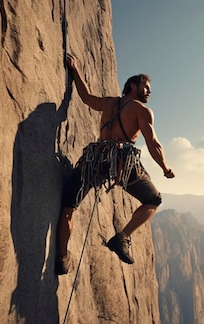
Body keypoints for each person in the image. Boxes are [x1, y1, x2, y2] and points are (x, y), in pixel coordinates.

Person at [56, 55, 175, 275]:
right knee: (154, 200)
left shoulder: (109, 103)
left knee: (68, 208)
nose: (149, 92)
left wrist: (74, 69)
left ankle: (62, 259)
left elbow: (86, 97)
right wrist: (165, 168)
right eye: (146, 87)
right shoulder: (142, 111)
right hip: (121, 162)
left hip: (95, 159)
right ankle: (122, 237)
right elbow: (153, 143)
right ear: (133, 86)